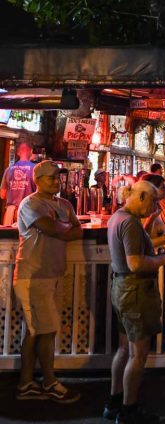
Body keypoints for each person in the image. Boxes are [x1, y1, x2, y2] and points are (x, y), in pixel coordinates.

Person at [104, 180, 165, 423]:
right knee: (138, 354)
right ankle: (129, 410)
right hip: (135, 290)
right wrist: (162, 260)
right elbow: (135, 262)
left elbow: (137, 249)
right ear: (141, 197)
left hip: (122, 288)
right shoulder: (130, 223)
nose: (155, 207)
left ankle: (114, 401)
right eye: (153, 202)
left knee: (124, 348)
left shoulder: (117, 218)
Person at [13, 160, 82, 402]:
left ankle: (27, 383)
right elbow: (52, 228)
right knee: (44, 330)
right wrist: (64, 228)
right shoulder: (31, 203)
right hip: (34, 275)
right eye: (51, 177)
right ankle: (48, 382)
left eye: (58, 177)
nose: (56, 181)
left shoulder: (64, 204)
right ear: (37, 180)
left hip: (53, 274)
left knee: (38, 331)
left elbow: (77, 230)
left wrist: (63, 228)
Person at [1, 142, 36, 226]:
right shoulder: (35, 169)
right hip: (28, 213)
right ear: (31, 152)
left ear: (18, 153)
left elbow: (2, 195)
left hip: (10, 214)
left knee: (10, 234)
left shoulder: (8, 170)